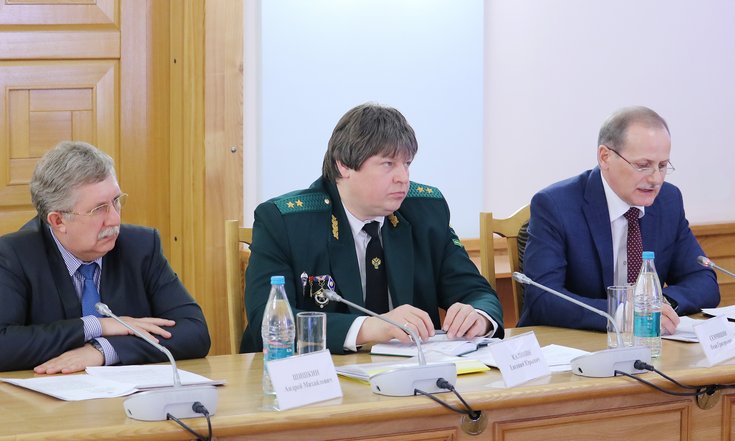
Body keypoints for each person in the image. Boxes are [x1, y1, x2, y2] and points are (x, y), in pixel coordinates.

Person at [241, 103, 504, 354]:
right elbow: (268, 319)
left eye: (407, 164)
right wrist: (369, 328)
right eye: (388, 164)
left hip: (411, 372)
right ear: (344, 165)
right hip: (315, 374)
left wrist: (478, 316)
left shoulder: (426, 210)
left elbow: (477, 293)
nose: (403, 178)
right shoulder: (285, 222)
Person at [0, 141, 210, 373]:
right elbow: (4, 344)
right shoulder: (14, 256)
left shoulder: (141, 246)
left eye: (116, 201)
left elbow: (194, 331)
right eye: (99, 209)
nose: (115, 219)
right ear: (58, 221)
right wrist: (97, 326)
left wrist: (103, 350)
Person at [518, 106, 719, 334]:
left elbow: (703, 280)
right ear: (605, 157)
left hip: (649, 345)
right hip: (573, 343)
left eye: (662, 166)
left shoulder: (668, 201)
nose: (656, 179)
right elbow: (542, 298)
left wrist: (656, 306)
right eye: (643, 165)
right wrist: (622, 314)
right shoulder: (555, 205)